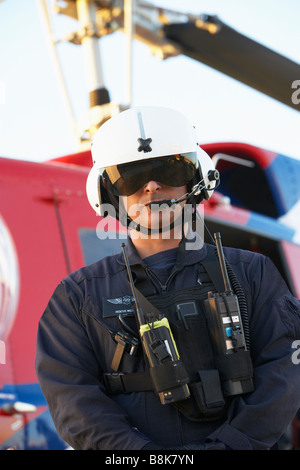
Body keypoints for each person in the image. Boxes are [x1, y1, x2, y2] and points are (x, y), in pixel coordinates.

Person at [35, 106, 300, 450]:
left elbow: (284, 371)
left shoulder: (253, 273)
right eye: (130, 177)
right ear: (108, 194)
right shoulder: (76, 297)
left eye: (169, 169)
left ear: (197, 179)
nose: (152, 186)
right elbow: (73, 399)